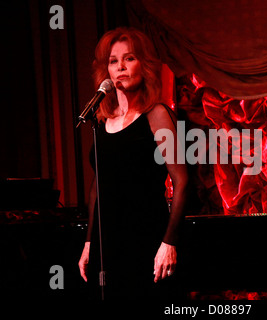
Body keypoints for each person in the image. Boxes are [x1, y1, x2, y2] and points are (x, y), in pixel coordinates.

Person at [78, 27, 188, 300]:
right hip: (109, 244)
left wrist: (169, 242)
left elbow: (183, 181)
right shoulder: (102, 121)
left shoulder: (157, 115)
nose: (120, 67)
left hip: (149, 238)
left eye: (129, 59)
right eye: (113, 61)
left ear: (144, 66)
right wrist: (90, 242)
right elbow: (97, 187)